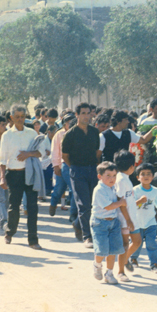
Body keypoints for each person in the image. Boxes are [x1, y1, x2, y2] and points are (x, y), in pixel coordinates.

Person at [0, 104, 46, 250]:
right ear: (11, 118)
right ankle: (10, 232)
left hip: (30, 173)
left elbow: (41, 152)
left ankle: (33, 239)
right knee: (14, 207)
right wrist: (2, 177)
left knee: (32, 207)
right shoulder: (7, 135)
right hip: (14, 174)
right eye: (17, 117)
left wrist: (28, 154)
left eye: (22, 117)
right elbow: (2, 159)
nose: (20, 119)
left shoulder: (32, 133)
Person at [62, 102, 100, 248]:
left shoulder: (94, 132)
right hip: (77, 170)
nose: (86, 116)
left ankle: (77, 224)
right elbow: (65, 156)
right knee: (83, 204)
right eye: (83, 113)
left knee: (92, 203)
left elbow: (97, 151)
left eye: (88, 113)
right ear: (77, 115)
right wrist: (75, 168)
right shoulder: (70, 134)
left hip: (92, 170)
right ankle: (87, 236)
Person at [90, 161, 126, 284]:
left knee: (113, 250)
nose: (112, 178)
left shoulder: (113, 187)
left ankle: (109, 273)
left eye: (114, 175)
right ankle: (97, 265)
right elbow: (108, 206)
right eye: (108, 175)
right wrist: (121, 202)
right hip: (100, 223)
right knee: (102, 250)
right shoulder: (99, 190)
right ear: (99, 177)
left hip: (113, 222)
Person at [130, 163, 157, 272]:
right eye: (143, 174)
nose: (146, 176)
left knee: (151, 244)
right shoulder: (135, 190)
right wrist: (140, 201)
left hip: (151, 223)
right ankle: (133, 259)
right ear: (138, 177)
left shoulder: (155, 191)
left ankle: (154, 264)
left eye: (148, 174)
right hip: (137, 223)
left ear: (152, 177)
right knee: (137, 243)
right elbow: (130, 205)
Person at [113, 150, 142, 281]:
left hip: (131, 218)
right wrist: (128, 219)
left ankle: (124, 260)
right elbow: (121, 202)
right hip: (124, 219)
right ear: (131, 167)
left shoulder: (126, 179)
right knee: (124, 244)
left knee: (137, 242)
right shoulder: (120, 180)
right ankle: (120, 272)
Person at [49, 114, 78, 221]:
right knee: (59, 188)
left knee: (74, 190)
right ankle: (53, 204)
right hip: (62, 166)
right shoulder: (59, 134)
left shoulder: (76, 133)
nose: (69, 125)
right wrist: (56, 166)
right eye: (68, 123)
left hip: (73, 166)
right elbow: (55, 151)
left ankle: (73, 213)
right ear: (64, 123)